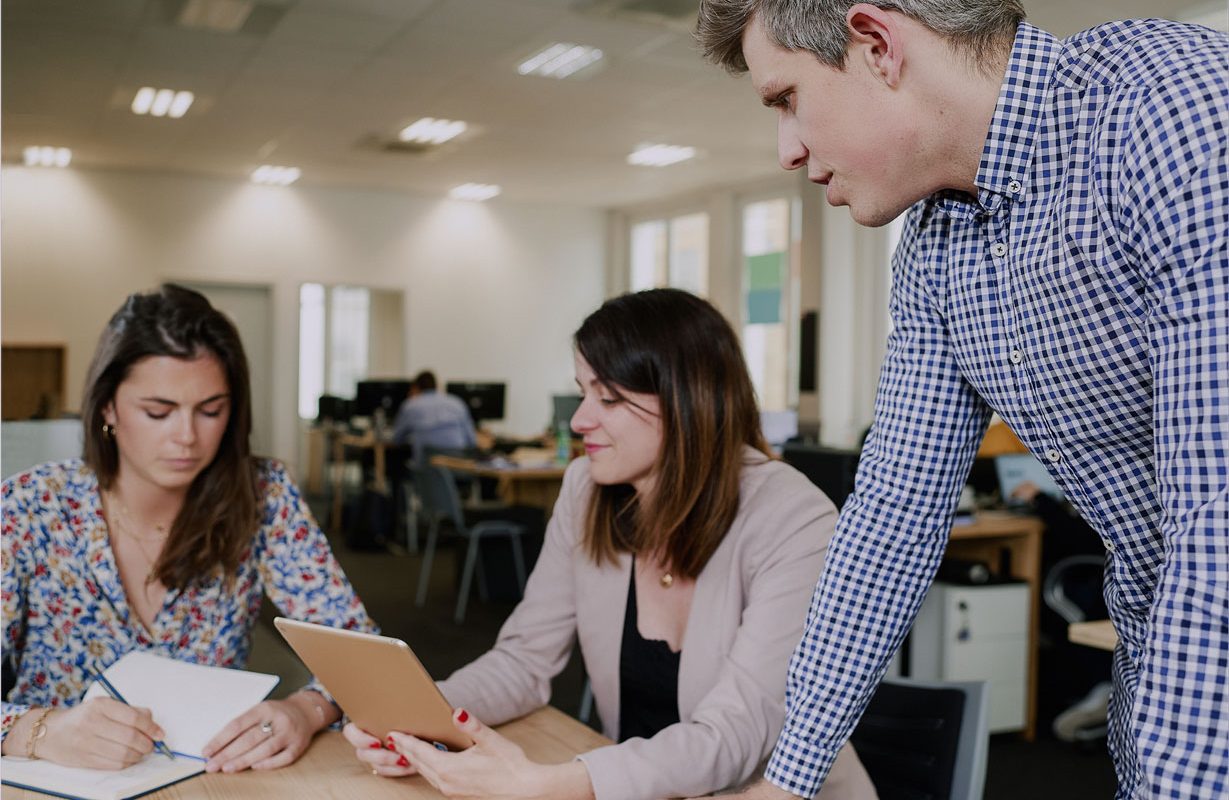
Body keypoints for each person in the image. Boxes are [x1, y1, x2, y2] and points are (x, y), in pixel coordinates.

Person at [695, 1, 1226, 798]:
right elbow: (890, 521)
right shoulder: (935, 254)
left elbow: (1216, 516)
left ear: (875, 43)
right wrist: (788, 781)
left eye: (786, 99)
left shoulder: (1165, 107)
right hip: (1167, 671)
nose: (787, 151)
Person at [344, 289, 876, 800]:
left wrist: (553, 786)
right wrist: (416, 718)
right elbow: (524, 661)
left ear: (690, 402)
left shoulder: (791, 516)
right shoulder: (586, 489)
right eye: (583, 392)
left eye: (610, 398)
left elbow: (733, 736)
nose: (579, 421)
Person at [1, 284, 376, 773]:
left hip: (212, 781)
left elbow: (362, 658)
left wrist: (304, 710)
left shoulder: (264, 496)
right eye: (158, 412)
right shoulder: (31, 506)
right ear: (108, 408)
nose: (187, 437)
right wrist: (41, 731)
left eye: (211, 411)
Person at [391, 370, 478, 463]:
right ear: (437, 386)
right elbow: (472, 441)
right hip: (458, 467)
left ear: (415, 388)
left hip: (427, 468)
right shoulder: (457, 403)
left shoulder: (410, 405)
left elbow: (397, 439)